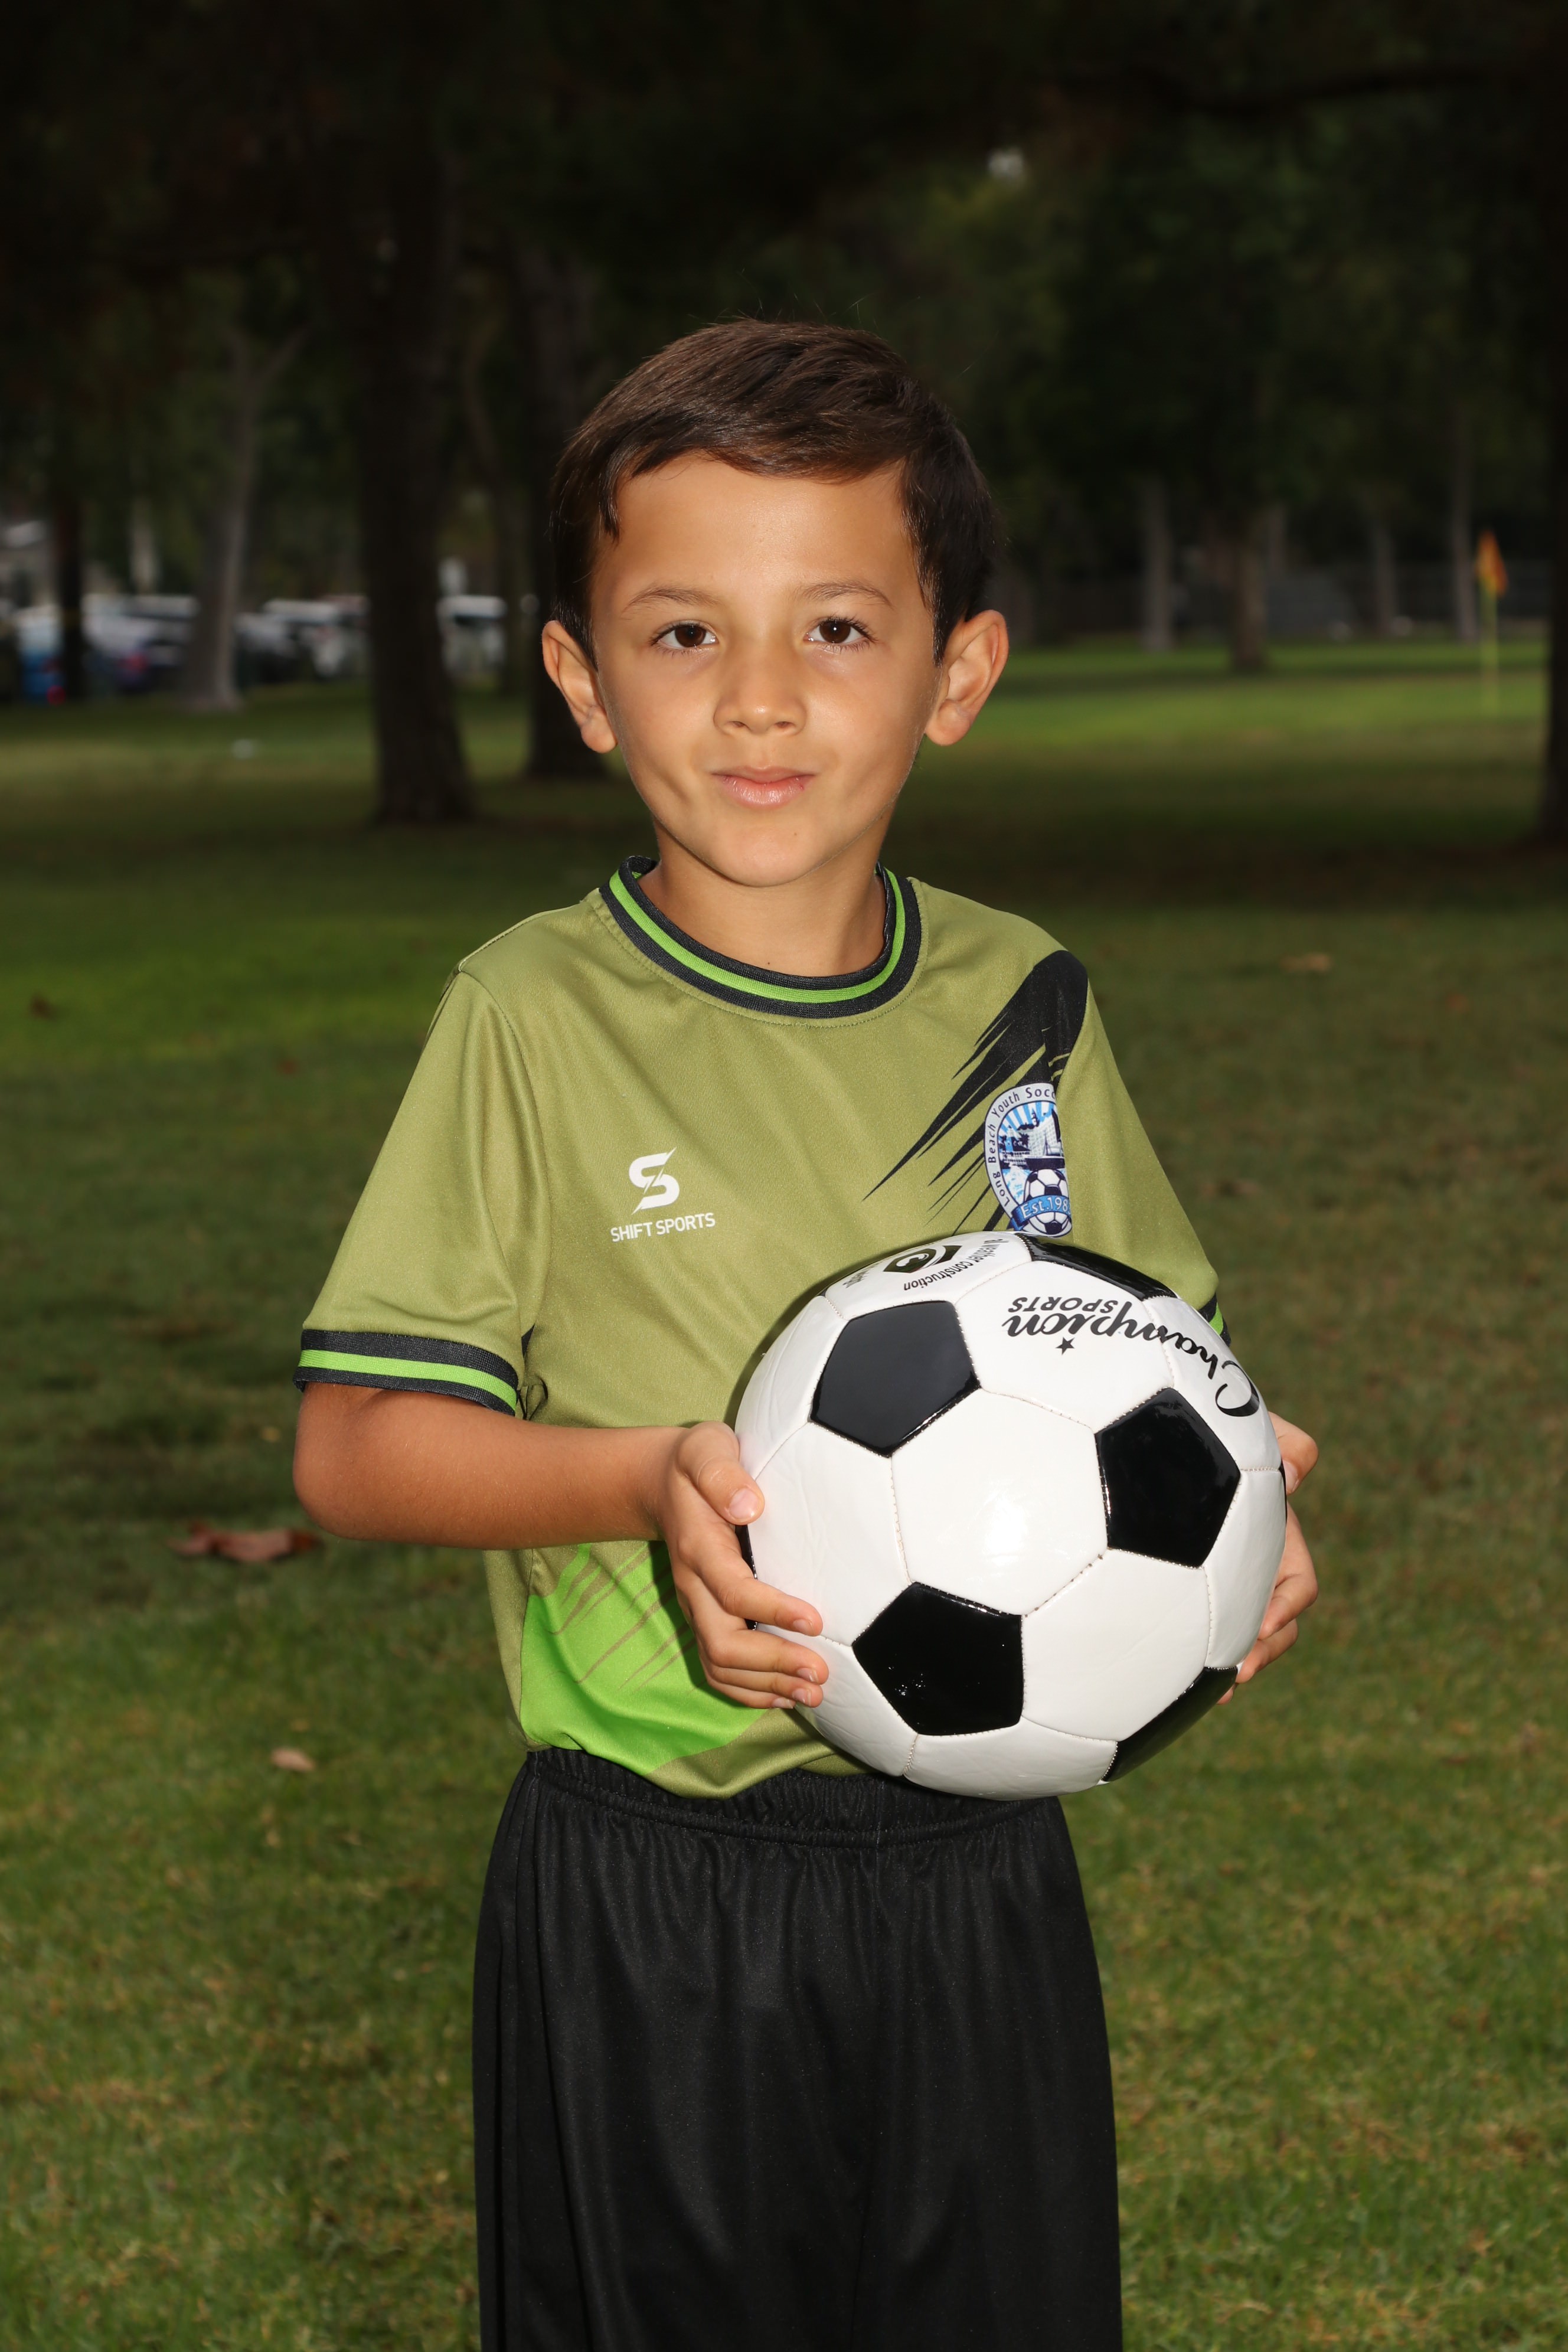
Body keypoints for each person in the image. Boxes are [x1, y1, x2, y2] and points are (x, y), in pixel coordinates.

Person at [292, 321, 1318, 2351]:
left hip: (983, 1869)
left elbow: (1158, 1364)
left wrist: (1257, 1500)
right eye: (684, 634)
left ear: (959, 673)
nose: (760, 697)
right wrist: (640, 1480)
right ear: (583, 680)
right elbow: (355, 1447)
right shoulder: (530, 1016)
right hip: (654, 1886)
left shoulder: (1027, 1001)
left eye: (838, 629)